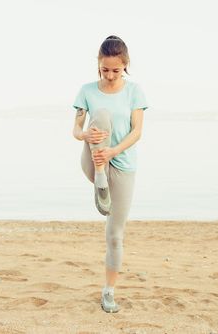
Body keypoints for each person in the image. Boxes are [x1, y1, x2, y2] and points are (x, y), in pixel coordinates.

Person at [72, 35, 148, 313]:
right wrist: (85, 134)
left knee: (115, 235)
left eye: (116, 70)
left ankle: (108, 291)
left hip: (121, 163)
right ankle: (100, 179)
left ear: (125, 65)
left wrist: (113, 152)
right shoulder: (87, 91)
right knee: (101, 114)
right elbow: (76, 131)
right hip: (94, 161)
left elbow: (137, 132)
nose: (110, 75)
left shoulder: (134, 92)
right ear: (99, 66)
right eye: (105, 70)